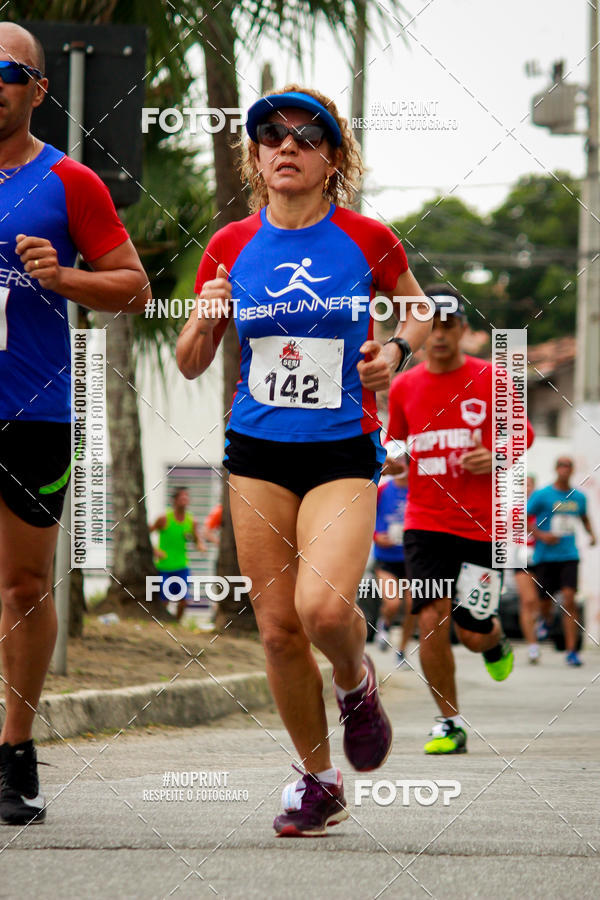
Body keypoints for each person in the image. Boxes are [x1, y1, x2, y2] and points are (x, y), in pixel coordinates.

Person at [177, 85, 432, 836]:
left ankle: (355, 682)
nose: (287, 146)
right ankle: (318, 780)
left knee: (322, 609)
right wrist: (204, 319)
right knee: (280, 629)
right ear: (255, 157)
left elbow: (418, 308)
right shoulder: (230, 245)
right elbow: (191, 362)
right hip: (257, 451)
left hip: (342, 449)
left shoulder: (367, 237)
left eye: (307, 136)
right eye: (271, 136)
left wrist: (395, 350)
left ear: (332, 159)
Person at [0, 23, 151, 825]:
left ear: (38, 89)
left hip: (31, 410)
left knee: (23, 585)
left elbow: (134, 287)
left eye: (7, 71)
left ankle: (15, 750)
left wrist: (63, 277)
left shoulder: (70, 182)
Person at [386, 283, 534, 755]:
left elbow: (524, 435)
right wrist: (392, 462)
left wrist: (497, 454)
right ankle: (448, 723)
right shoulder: (403, 386)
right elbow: (395, 445)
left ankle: (494, 640)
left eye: (449, 326)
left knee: (471, 632)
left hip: (481, 526)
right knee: (430, 616)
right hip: (425, 522)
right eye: (432, 326)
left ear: (464, 330)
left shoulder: (492, 378)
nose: (440, 335)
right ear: (420, 331)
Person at [528, 457, 596, 666]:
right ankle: (545, 619)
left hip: (569, 556)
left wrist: (592, 534)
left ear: (572, 470)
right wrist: (541, 535)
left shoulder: (579, 497)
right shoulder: (542, 495)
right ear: (556, 469)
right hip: (545, 557)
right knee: (545, 602)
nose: (565, 469)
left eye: (568, 466)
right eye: (561, 466)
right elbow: (523, 519)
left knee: (569, 600)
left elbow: (584, 517)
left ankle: (572, 651)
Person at [372, 445, 415, 666]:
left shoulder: (417, 492)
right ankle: (385, 624)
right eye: (399, 461)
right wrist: (375, 536)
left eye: (406, 462)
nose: (402, 466)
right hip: (386, 558)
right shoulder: (382, 490)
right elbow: (365, 514)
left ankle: (402, 650)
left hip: (411, 558)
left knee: (412, 606)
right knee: (392, 603)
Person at [149, 487, 206, 621]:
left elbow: (196, 539)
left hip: (182, 566)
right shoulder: (164, 519)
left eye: (186, 497)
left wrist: (200, 545)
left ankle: (176, 623)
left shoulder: (191, 521)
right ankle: (163, 623)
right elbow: (145, 534)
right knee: (164, 599)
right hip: (164, 566)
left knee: (183, 600)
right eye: (181, 497)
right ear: (174, 501)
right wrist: (155, 550)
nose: (185, 500)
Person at [515, 475, 543, 664]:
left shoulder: (542, 507)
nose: (526, 488)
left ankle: (540, 624)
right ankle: (532, 646)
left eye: (529, 485)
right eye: (522, 485)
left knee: (540, 602)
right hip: (520, 558)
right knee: (528, 600)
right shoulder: (512, 508)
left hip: (542, 557)